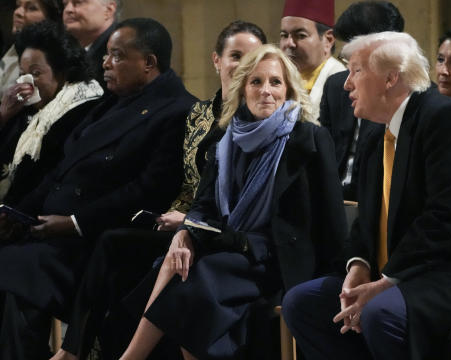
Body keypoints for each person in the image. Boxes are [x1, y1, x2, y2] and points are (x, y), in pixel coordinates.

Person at [282, 31, 451, 360]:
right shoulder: (375, 132)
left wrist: (385, 281)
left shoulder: (446, 120)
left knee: (379, 312)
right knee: (303, 304)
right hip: (406, 272)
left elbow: (449, 219)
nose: (346, 85)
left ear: (390, 78)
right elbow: (367, 220)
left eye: (355, 71)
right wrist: (359, 265)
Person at [50, 20, 267, 360]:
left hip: (221, 233)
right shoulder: (198, 114)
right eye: (236, 56)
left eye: (253, 58)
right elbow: (179, 181)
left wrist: (189, 224)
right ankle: (76, 349)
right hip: (183, 220)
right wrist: (174, 218)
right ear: (217, 61)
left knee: (126, 251)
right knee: (114, 242)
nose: (244, 66)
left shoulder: (256, 123)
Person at [118, 44, 346, 360]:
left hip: (276, 258)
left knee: (195, 279)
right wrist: (186, 232)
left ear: (288, 89)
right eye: (256, 82)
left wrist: (337, 277)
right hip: (230, 245)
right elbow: (203, 204)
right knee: (175, 261)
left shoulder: (309, 138)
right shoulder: (226, 138)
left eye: (275, 82)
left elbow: (331, 216)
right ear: (242, 89)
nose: (266, 91)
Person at [0, 18, 196, 359]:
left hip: (98, 242)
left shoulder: (176, 110)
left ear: (148, 63)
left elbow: (147, 191)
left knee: (17, 271)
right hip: (53, 233)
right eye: (106, 54)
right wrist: (18, 214)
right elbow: (62, 171)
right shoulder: (111, 101)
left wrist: (75, 222)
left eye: (117, 56)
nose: (105, 63)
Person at [0, 21, 102, 206]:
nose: (26, 82)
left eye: (36, 73)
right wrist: (3, 116)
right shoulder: (24, 109)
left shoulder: (83, 111)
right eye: (22, 73)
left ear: (63, 72)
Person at [319, 0, 403, 201]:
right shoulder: (335, 86)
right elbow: (325, 155)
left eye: (356, 66)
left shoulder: (410, 100)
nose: (348, 82)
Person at [279, 0, 345, 119]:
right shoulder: (277, 78)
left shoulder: (341, 84)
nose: (289, 43)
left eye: (300, 35)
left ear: (328, 40)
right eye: (284, 35)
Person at [0, 0, 62, 98]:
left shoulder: (52, 58)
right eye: (18, 6)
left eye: (32, 8)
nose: (18, 12)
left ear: (51, 19)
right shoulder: (11, 48)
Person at [63, 0, 119, 88]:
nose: (68, 9)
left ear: (108, 10)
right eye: (65, 4)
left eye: (78, 2)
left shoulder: (122, 50)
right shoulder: (67, 50)